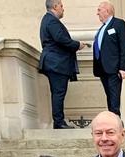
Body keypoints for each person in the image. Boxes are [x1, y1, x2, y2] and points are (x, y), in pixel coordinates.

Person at [38, 0, 85, 129]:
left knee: (58, 92)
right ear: (55, 6)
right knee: (59, 92)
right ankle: (59, 122)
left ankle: (59, 121)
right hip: (56, 63)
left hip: (54, 62)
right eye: (61, 6)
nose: (63, 9)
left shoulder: (48, 20)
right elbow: (61, 39)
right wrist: (77, 45)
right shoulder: (52, 21)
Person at [92, 1, 125, 116]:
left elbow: (124, 46)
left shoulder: (118, 24)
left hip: (114, 68)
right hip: (102, 69)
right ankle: (112, 122)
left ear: (107, 11)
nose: (97, 13)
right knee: (109, 98)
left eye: (99, 10)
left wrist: (123, 67)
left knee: (114, 100)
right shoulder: (102, 28)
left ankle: (116, 124)